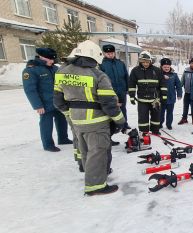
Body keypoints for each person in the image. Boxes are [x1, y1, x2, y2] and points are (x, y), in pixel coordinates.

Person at [54, 40, 125, 196]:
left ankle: (95, 174)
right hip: (96, 122)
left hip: (76, 120)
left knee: (85, 149)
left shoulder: (62, 72)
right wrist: (120, 120)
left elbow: (58, 100)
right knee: (98, 151)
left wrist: (70, 114)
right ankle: (96, 185)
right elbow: (109, 104)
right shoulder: (98, 75)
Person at [22, 47, 71, 152]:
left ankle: (63, 138)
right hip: (45, 103)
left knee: (62, 120)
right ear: (41, 57)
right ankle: (48, 144)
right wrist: (37, 105)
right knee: (46, 124)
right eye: (49, 59)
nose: (52, 61)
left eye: (53, 59)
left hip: (58, 101)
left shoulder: (54, 68)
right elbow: (30, 90)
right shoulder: (31, 70)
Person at [128, 51, 168, 135]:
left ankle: (155, 130)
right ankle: (144, 132)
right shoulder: (135, 71)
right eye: (143, 62)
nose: (145, 64)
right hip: (142, 100)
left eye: (147, 62)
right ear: (140, 61)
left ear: (150, 61)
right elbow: (131, 84)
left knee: (156, 116)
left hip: (155, 99)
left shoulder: (157, 70)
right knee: (143, 117)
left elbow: (163, 83)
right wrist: (132, 96)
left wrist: (164, 96)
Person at [100, 44, 130, 145]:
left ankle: (124, 125)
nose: (110, 55)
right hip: (109, 93)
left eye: (112, 53)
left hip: (121, 91)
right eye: (108, 53)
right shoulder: (101, 65)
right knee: (110, 113)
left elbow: (126, 76)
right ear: (104, 53)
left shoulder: (120, 63)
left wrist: (127, 89)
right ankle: (110, 135)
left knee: (123, 109)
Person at [159, 58, 182, 130]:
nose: (166, 68)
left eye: (168, 67)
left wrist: (179, 94)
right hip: (161, 98)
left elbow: (178, 85)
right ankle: (159, 124)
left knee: (170, 112)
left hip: (171, 97)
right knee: (160, 112)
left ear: (170, 66)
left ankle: (169, 124)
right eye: (164, 67)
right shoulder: (158, 74)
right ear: (161, 67)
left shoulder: (174, 75)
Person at [178, 58, 193, 125]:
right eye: (192, 63)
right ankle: (184, 118)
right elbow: (182, 80)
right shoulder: (186, 70)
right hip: (187, 92)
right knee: (185, 106)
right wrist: (179, 87)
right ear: (190, 63)